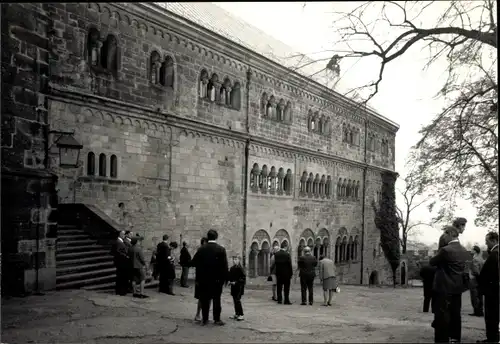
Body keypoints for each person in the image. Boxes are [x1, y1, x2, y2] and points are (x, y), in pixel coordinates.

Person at [430, 227, 470, 343]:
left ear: (451, 234)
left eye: (445, 235)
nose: (444, 237)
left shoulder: (445, 250)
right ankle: (455, 337)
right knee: (456, 314)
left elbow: (432, 262)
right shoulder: (463, 250)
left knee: (442, 314)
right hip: (457, 288)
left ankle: (442, 339)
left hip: (444, 287)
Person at [190, 229, 228, 326]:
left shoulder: (202, 249)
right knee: (216, 299)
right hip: (217, 280)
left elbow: (194, 263)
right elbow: (224, 266)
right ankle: (217, 319)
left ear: (208, 237)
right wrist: (225, 279)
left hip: (204, 279)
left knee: (204, 299)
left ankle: (204, 319)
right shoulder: (221, 249)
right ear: (216, 237)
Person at [477, 231, 499, 343]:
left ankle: (492, 338)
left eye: (487, 242)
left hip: (492, 291)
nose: (486, 245)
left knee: (491, 316)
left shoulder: (495, 254)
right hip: (495, 290)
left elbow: (487, 274)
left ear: (494, 240)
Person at [193, 237, 208, 322]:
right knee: (201, 298)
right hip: (201, 278)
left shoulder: (208, 252)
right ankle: (198, 314)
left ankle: (204, 316)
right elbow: (194, 262)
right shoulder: (200, 252)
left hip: (207, 278)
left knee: (207, 297)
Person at [228, 255, 246, 321]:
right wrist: (229, 281)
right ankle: (237, 313)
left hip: (239, 287)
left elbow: (243, 278)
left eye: (236, 259)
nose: (235, 260)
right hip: (233, 287)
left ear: (239, 260)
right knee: (235, 300)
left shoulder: (240, 268)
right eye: (234, 259)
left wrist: (236, 282)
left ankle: (241, 314)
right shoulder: (232, 268)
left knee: (237, 300)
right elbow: (230, 276)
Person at [111, 230, 129, 296]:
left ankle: (120, 291)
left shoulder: (120, 241)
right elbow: (118, 252)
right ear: (120, 234)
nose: (124, 235)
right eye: (123, 234)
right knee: (121, 277)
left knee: (120, 277)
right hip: (121, 262)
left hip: (120, 262)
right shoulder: (119, 242)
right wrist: (126, 256)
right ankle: (121, 291)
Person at [468, 245, 484, 317]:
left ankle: (477, 311)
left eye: (472, 249)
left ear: (475, 251)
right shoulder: (481, 258)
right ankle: (480, 311)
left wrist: (472, 275)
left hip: (474, 280)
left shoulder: (475, 259)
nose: (471, 250)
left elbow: (476, 271)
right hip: (479, 280)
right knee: (479, 296)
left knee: (474, 296)